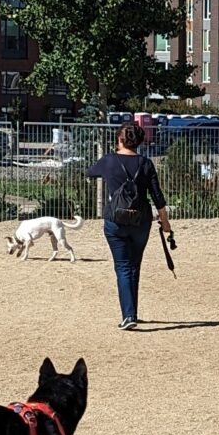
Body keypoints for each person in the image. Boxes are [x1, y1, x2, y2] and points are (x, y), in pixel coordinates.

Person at [84, 123, 173, 330]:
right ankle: (132, 312)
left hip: (115, 220)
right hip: (141, 221)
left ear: (120, 140)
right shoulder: (146, 163)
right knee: (134, 266)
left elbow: (90, 172)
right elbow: (157, 196)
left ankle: (129, 315)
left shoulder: (109, 161)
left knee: (123, 267)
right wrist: (165, 222)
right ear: (139, 141)